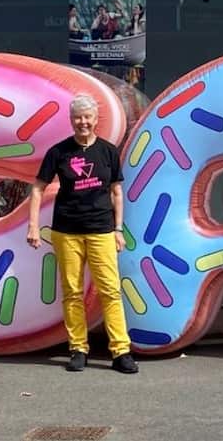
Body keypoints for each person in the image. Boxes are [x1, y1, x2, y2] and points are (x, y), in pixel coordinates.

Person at [26, 94, 138, 374]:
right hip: (67, 231)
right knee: (72, 293)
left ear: (96, 120)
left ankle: (121, 352)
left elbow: (117, 192)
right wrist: (33, 226)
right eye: (78, 117)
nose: (83, 122)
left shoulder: (108, 152)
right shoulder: (59, 152)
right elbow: (38, 188)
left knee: (110, 291)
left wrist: (118, 229)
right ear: (71, 120)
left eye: (87, 117)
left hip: (101, 230)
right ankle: (78, 349)